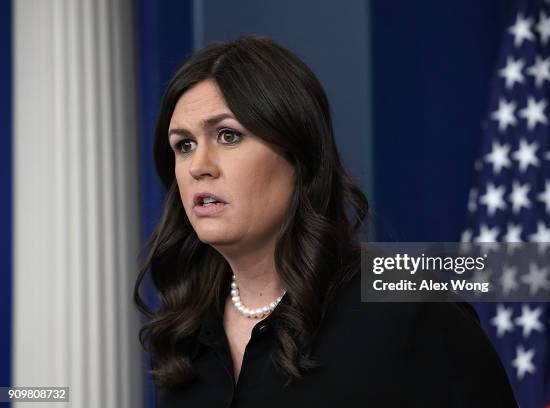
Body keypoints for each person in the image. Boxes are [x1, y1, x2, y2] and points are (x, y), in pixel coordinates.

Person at [133, 35, 518, 407]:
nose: (199, 166)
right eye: (184, 145)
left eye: (229, 135)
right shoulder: (182, 334)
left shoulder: (410, 305)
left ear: (299, 156)